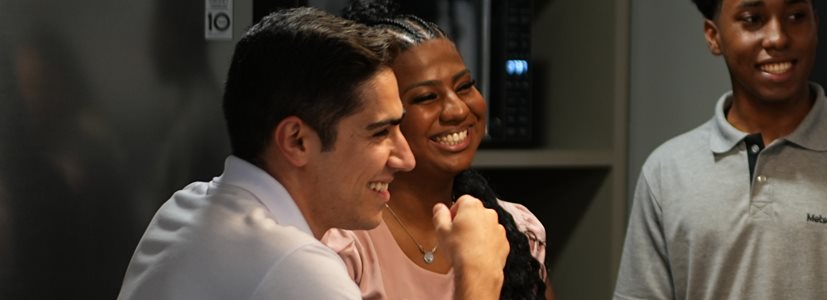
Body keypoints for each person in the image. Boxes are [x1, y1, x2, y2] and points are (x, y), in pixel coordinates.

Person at [117, 7, 510, 299]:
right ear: (297, 141)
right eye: (380, 132)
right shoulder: (296, 267)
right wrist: (479, 274)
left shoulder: (181, 208)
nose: (404, 158)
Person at [613, 0, 827, 298]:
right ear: (714, 36)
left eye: (795, 16)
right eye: (753, 19)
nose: (778, 37)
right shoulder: (666, 170)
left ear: (815, 25)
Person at [321, 1, 553, 299]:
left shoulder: (517, 227)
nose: (457, 110)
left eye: (465, 86)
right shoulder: (343, 241)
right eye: (427, 97)